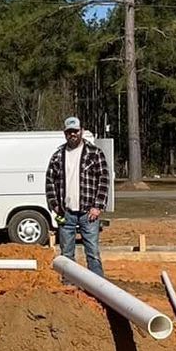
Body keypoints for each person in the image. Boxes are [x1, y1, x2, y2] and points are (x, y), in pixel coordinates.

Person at [45, 116, 108, 275]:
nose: (72, 134)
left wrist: (98, 206)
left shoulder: (94, 153)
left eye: (75, 131)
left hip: (89, 213)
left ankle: (98, 285)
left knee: (92, 253)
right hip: (66, 213)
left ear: (82, 131)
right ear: (65, 133)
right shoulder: (58, 156)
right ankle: (68, 284)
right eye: (69, 132)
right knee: (66, 254)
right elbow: (50, 181)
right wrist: (54, 204)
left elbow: (103, 180)